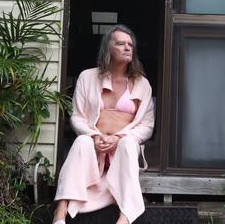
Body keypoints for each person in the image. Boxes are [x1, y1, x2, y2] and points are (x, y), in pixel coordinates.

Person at [53, 25, 155, 224]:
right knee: (81, 141)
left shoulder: (142, 84)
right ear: (108, 48)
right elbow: (77, 117)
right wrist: (94, 136)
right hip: (95, 146)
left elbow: (147, 125)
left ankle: (124, 217)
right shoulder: (87, 77)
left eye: (130, 45)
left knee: (127, 144)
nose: (127, 48)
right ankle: (60, 213)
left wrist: (118, 138)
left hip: (122, 148)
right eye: (120, 43)